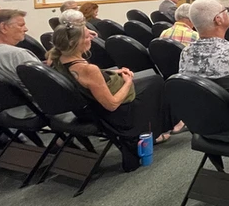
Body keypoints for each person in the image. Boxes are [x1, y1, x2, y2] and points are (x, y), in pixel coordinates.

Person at [48, 18, 173, 170]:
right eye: (87, 36)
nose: (91, 39)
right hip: (110, 114)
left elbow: (86, 80)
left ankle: (153, 130)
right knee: (156, 83)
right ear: (75, 43)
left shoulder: (57, 59)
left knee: (153, 81)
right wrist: (128, 82)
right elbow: (112, 105)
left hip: (87, 109)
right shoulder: (87, 69)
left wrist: (114, 72)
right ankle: (153, 131)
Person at [0, 9, 40, 91]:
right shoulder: (18, 54)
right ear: (3, 28)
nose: (26, 29)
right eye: (21, 25)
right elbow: (46, 83)